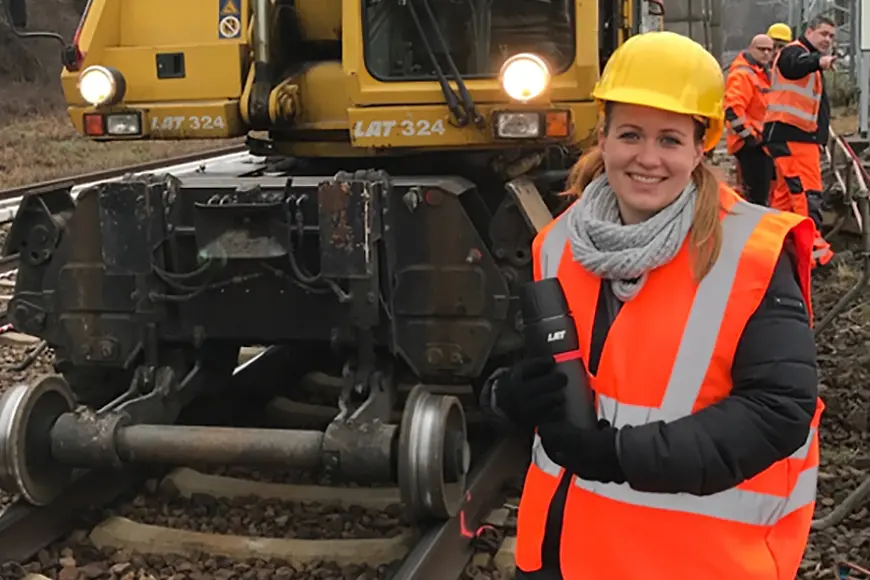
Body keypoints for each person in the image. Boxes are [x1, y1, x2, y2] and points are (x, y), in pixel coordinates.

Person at [480, 31, 823, 580]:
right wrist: (508, 397)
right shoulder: (559, 243)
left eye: (669, 139)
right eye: (630, 135)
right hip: (561, 555)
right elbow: (531, 376)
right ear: (603, 138)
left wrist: (619, 455)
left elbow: (777, 412)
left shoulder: (752, 253)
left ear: (700, 147)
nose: (647, 158)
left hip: (688, 563)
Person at [763, 15, 838, 268]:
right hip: (793, 137)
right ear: (809, 31)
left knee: (785, 199)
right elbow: (794, 65)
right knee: (807, 195)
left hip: (793, 137)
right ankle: (813, 258)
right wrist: (819, 61)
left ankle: (777, 252)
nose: (827, 39)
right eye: (823, 34)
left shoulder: (807, 61)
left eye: (831, 36)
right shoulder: (794, 53)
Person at [725, 34, 774, 205]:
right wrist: (749, 136)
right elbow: (732, 110)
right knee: (756, 198)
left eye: (769, 50)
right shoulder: (743, 74)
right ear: (751, 49)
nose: (766, 53)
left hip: (759, 142)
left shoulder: (762, 73)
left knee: (760, 195)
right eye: (762, 49)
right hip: (750, 145)